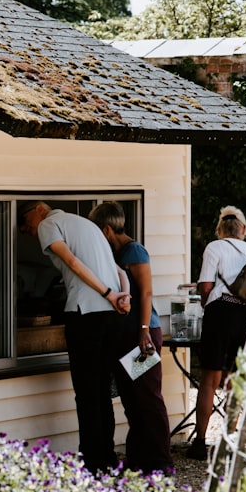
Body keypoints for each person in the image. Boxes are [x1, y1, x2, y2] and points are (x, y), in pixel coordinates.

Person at [19, 201, 131, 473]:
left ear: (39, 209)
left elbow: (70, 260)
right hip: (111, 315)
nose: (27, 230)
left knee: (86, 391)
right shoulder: (87, 225)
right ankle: (107, 457)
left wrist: (107, 293)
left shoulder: (48, 224)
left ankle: (92, 462)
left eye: (25, 223)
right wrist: (122, 296)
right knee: (102, 389)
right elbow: (121, 272)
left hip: (86, 313)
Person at [88, 201, 173, 473]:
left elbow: (146, 293)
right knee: (131, 400)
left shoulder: (134, 251)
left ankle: (160, 462)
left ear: (107, 229)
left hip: (143, 336)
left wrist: (144, 331)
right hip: (125, 337)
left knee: (148, 398)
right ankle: (138, 460)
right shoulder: (112, 255)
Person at [190, 206, 246, 460]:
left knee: (209, 378)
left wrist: (205, 302)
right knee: (233, 381)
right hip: (244, 315)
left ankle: (199, 442)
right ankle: (229, 443)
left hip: (219, 312)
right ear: (242, 230)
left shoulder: (214, 247)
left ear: (220, 229)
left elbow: (206, 285)